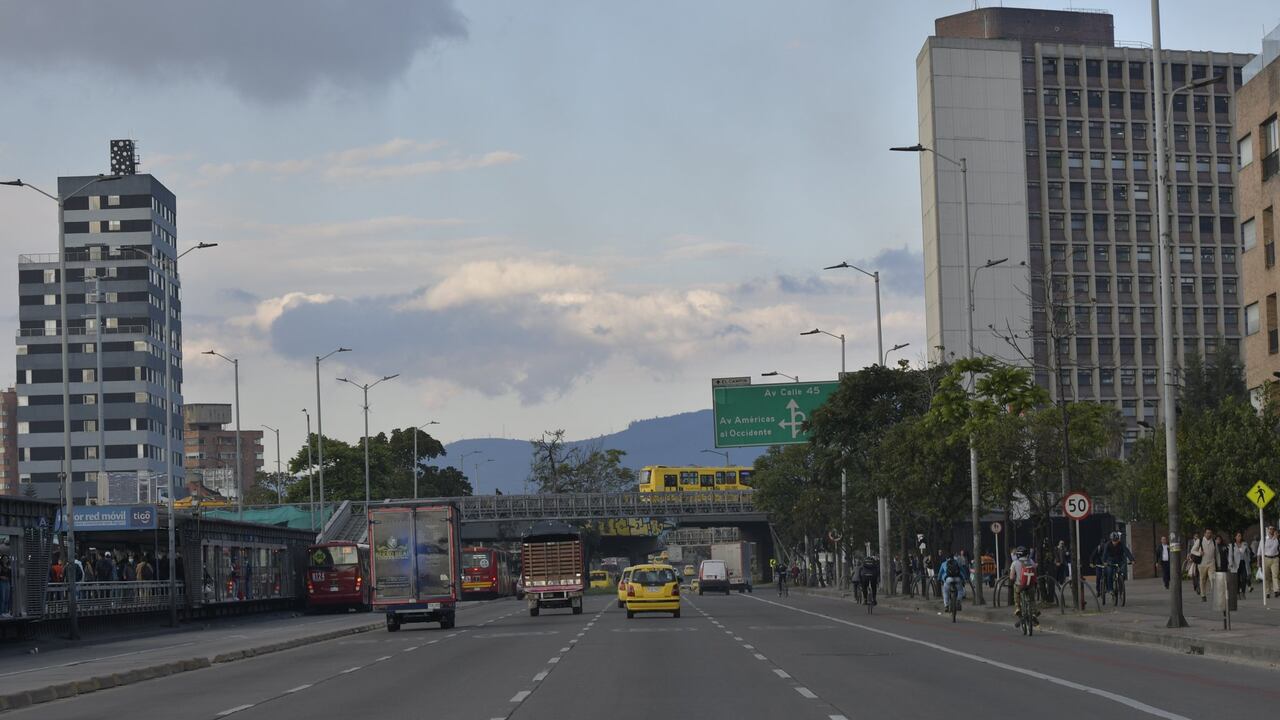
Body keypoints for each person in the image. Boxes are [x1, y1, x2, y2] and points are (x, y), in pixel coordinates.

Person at [1009, 546, 1038, 627]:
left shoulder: (1014, 563)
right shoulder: (1031, 561)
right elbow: (1035, 570)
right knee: (1032, 600)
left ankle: (1018, 607)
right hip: (1030, 585)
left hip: (1020, 586)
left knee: (1016, 593)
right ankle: (1034, 612)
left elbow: (1011, 577)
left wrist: (1015, 579)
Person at [1101, 532, 1135, 597]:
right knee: (1110, 572)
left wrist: (1132, 559)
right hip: (1110, 560)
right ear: (1111, 540)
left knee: (1122, 572)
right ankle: (1110, 589)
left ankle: (1121, 586)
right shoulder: (1108, 544)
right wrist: (1104, 561)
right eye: (1114, 541)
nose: (1115, 542)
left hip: (1119, 559)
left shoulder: (1121, 544)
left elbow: (1126, 551)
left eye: (1116, 540)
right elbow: (1104, 554)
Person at [1189, 528, 1216, 601]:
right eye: (1207, 533)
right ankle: (1203, 595)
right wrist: (1199, 553)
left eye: (1210, 533)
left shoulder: (1213, 541)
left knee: (1212, 578)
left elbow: (1216, 553)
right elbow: (1192, 550)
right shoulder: (1199, 540)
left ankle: (1215, 594)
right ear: (1204, 533)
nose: (1209, 534)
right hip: (1202, 564)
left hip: (1211, 563)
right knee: (1202, 580)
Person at [1230, 532, 1252, 600]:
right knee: (1237, 579)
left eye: (1240, 536)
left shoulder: (1244, 544)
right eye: (1238, 536)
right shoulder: (1232, 545)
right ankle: (1237, 593)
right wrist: (1230, 563)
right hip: (1236, 564)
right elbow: (1230, 555)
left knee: (1244, 578)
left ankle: (1243, 592)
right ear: (1235, 537)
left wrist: (1248, 560)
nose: (1240, 537)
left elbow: (1248, 553)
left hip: (1243, 563)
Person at [1264, 526, 1280, 598]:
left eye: (1273, 529)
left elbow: (1275, 548)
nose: (1271, 530)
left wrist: (1276, 538)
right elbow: (1260, 550)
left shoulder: (1277, 539)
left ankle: (1276, 590)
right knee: (1267, 577)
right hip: (1266, 558)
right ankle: (1267, 592)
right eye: (1270, 529)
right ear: (1268, 530)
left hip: (1275, 558)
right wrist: (1258, 561)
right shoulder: (1264, 539)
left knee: (1275, 575)